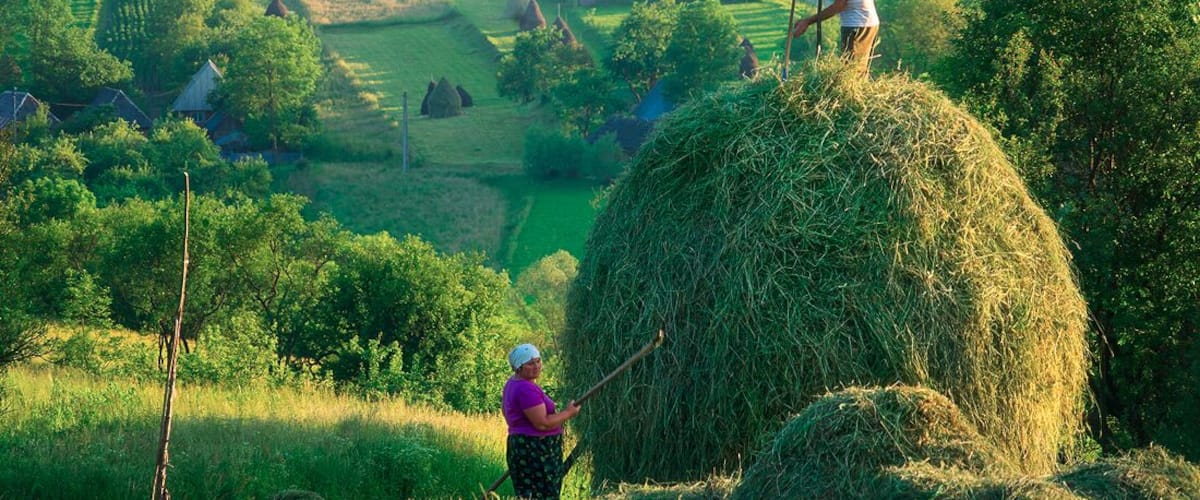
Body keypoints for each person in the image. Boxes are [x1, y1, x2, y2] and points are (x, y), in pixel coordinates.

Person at [503, 343, 581, 499]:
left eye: (538, 361)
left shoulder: (514, 383)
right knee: (542, 495)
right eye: (530, 363)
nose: (537, 366)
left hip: (526, 447)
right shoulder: (525, 388)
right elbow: (542, 423)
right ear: (519, 367)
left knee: (530, 494)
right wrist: (568, 413)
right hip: (535, 450)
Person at [790, 0, 879, 74]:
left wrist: (808, 21)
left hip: (857, 25)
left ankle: (853, 94)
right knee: (855, 69)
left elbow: (839, 5)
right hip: (863, 22)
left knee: (852, 71)